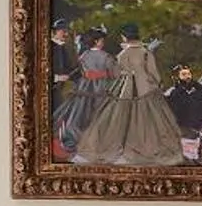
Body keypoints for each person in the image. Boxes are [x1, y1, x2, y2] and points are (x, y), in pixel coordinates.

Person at [75, 25, 188, 166]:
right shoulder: (145, 52)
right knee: (152, 119)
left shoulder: (122, 54)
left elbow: (117, 73)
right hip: (146, 89)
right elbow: (153, 73)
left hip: (125, 90)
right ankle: (148, 146)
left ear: (124, 37)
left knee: (118, 118)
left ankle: (122, 147)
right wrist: (157, 83)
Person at [52, 29, 116, 157]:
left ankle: (81, 141)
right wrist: (103, 74)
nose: (103, 43)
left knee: (81, 114)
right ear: (97, 42)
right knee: (98, 115)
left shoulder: (84, 55)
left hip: (84, 88)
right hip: (100, 89)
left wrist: (88, 74)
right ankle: (96, 143)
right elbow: (115, 74)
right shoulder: (106, 57)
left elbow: (80, 70)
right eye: (102, 40)